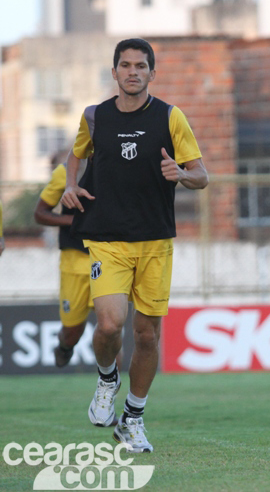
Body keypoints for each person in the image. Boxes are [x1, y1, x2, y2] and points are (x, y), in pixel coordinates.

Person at [61, 38, 208, 453]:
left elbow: (203, 176)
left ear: (151, 74)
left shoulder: (170, 117)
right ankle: (108, 378)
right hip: (106, 238)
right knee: (109, 324)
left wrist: (179, 173)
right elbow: (76, 155)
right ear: (114, 72)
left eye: (140, 66)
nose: (132, 72)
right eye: (124, 65)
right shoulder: (94, 117)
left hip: (155, 241)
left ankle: (133, 418)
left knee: (146, 336)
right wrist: (71, 184)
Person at [34, 151, 124, 369]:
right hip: (74, 263)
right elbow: (40, 214)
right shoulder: (65, 172)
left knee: (111, 328)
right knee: (72, 332)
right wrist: (76, 220)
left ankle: (110, 386)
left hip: (109, 259)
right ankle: (65, 346)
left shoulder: (122, 167)